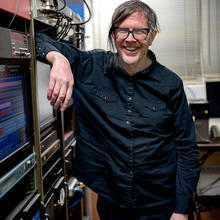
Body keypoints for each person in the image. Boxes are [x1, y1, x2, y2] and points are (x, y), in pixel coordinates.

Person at [35, 0, 201, 219]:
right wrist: (59, 59)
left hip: (161, 204)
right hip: (112, 204)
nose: (130, 39)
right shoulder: (90, 67)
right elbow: (37, 39)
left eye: (139, 31)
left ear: (152, 36)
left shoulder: (171, 84)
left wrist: (180, 210)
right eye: (122, 30)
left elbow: (187, 150)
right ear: (114, 35)